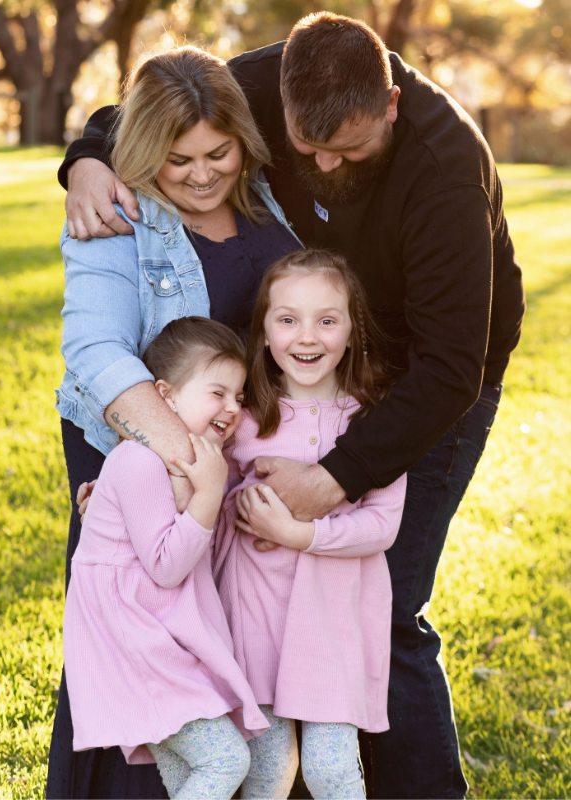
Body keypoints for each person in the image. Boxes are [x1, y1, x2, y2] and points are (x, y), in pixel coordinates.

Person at [59, 12, 525, 800]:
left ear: (388, 105)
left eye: (345, 149)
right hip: (291, 378)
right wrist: (85, 161)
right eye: (305, 148)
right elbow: (159, 106)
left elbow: (452, 368)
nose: (319, 164)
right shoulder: (279, 79)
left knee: (386, 604)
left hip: (428, 381)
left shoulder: (445, 171)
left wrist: (341, 475)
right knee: (245, 591)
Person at [48, 46, 301, 799]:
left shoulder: (267, 194)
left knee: (246, 659)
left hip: (246, 478)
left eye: (216, 153)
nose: (198, 173)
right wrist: (191, 466)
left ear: (243, 142)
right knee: (157, 661)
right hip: (155, 467)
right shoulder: (117, 210)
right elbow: (96, 352)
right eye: (175, 157)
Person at [213, 250, 406, 799]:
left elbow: (381, 526)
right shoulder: (245, 419)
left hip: (333, 624)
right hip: (254, 621)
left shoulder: (373, 420)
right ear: (265, 331)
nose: (308, 336)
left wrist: (303, 535)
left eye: (327, 319)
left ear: (353, 329)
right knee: (268, 772)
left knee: (331, 770)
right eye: (288, 318)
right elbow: (212, 499)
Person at [64, 316, 270, 799]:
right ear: (166, 395)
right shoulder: (137, 460)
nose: (232, 408)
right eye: (217, 393)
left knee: (188, 777)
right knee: (225, 759)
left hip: (159, 640)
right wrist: (209, 493)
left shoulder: (179, 468)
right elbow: (166, 566)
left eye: (240, 398)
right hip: (135, 643)